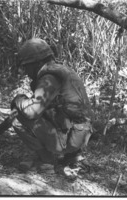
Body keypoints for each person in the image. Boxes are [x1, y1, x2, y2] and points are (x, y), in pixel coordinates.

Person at [11, 38, 94, 174]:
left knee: (16, 115)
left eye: (26, 66)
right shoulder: (61, 70)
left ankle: (47, 161)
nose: (26, 72)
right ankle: (71, 155)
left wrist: (17, 100)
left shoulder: (49, 77)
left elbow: (31, 111)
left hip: (72, 137)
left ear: (36, 63)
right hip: (80, 132)